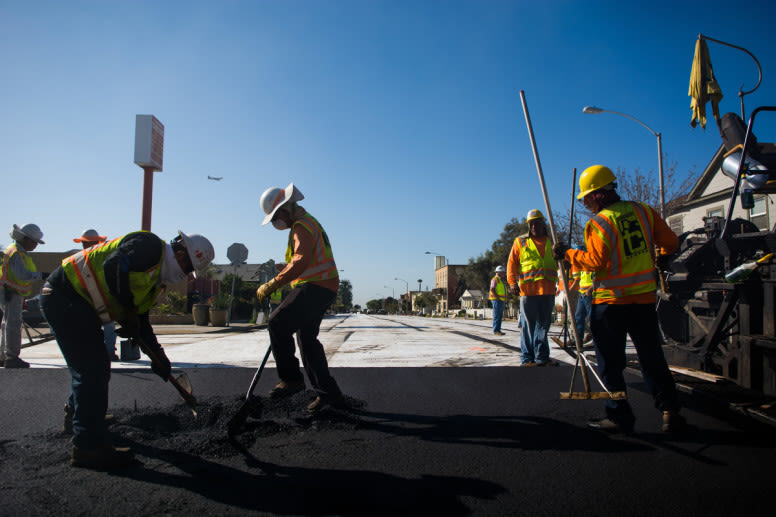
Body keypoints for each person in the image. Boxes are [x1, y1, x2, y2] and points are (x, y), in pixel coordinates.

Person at [40, 230, 215, 469]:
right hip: (65, 295)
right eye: (187, 269)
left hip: (82, 304)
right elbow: (114, 266)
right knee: (92, 369)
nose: (184, 275)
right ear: (182, 255)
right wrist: (128, 311)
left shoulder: (154, 283)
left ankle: (79, 417)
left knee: (94, 365)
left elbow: (141, 322)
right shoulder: (149, 246)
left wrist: (160, 357)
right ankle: (88, 446)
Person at [553, 165, 685, 433]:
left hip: (610, 303)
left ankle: (619, 416)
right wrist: (661, 254)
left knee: (610, 364)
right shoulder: (644, 212)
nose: (587, 204)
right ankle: (670, 412)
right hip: (644, 301)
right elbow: (671, 241)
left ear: (600, 195)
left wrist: (567, 254)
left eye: (588, 198)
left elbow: (595, 261)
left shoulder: (600, 223)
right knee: (652, 358)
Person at [256, 183, 345, 412]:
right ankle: (329, 393)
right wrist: (288, 272)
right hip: (323, 286)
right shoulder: (308, 222)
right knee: (306, 340)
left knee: (277, 322)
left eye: (276, 216)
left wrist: (273, 283)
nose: (277, 222)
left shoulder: (301, 226)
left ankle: (292, 380)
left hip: (315, 286)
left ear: (285, 210)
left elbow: (301, 260)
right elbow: (304, 261)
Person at [507, 209, 558, 366]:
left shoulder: (552, 242)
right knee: (529, 326)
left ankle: (542, 357)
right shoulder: (521, 242)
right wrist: (512, 283)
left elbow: (561, 264)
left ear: (543, 224)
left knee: (543, 326)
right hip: (528, 291)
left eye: (537, 223)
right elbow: (512, 264)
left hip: (548, 290)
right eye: (531, 224)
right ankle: (527, 358)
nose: (534, 226)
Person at [1, 224, 45, 368]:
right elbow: (22, 275)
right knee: (13, 324)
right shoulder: (16, 253)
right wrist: (42, 276)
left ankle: (4, 355)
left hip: (10, 291)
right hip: (11, 292)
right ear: (25, 239)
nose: (35, 246)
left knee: (8, 324)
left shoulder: (16, 251)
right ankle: (11, 357)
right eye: (34, 242)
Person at [73, 229, 119, 361]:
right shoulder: (100, 256)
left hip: (95, 296)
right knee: (106, 325)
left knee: (103, 325)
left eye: (84, 243)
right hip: (98, 295)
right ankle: (107, 352)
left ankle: (104, 352)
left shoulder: (82, 258)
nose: (83, 245)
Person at [568, 245, 593, 347]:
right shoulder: (581, 266)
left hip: (589, 295)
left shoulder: (591, 264)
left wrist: (590, 289)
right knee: (578, 317)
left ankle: (596, 341)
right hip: (582, 295)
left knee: (592, 319)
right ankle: (578, 340)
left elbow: (597, 279)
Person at [489, 265, 508, 336]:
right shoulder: (495, 280)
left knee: (499, 316)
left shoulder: (499, 280)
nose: (504, 274)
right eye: (503, 272)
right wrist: (497, 297)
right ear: (499, 272)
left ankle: (498, 330)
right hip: (496, 300)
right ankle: (496, 331)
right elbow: (492, 289)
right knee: (497, 315)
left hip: (500, 300)